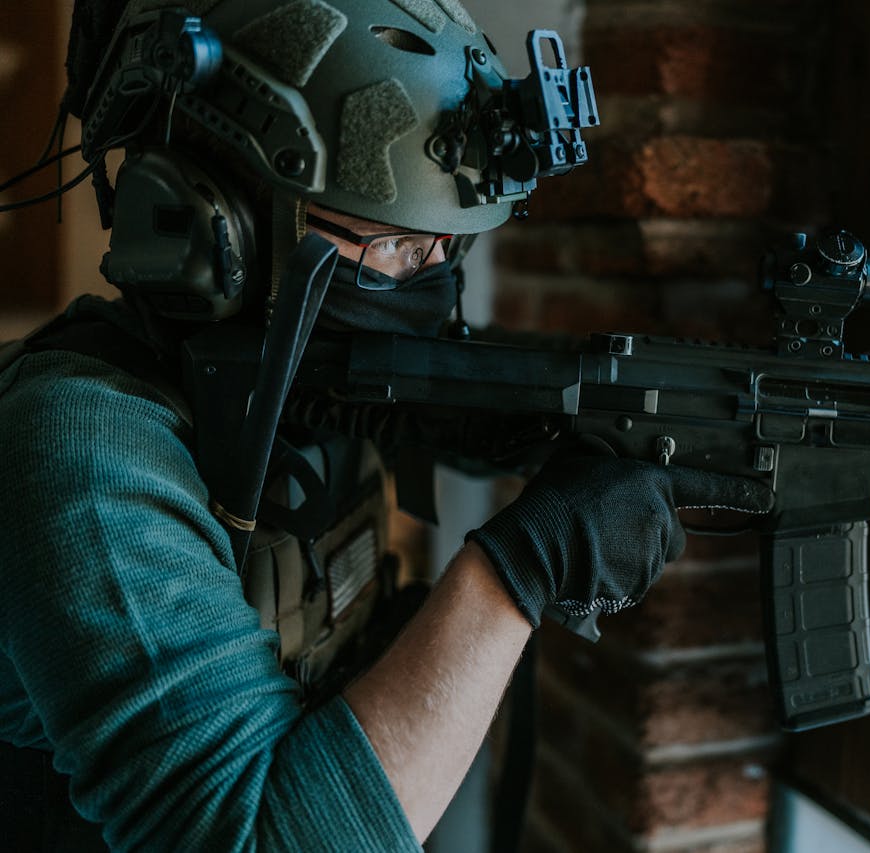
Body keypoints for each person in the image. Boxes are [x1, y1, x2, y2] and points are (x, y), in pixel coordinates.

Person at [0, 0, 773, 849]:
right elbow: (252, 837)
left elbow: (452, 390)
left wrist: (627, 414)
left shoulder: (295, 368)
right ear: (213, 221)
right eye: (399, 248)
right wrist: (519, 568)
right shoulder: (80, 446)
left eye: (444, 246)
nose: (430, 281)